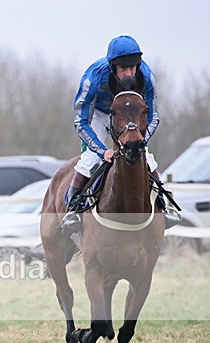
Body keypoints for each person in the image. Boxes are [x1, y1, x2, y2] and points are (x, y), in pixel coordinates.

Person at [62, 35, 181, 233]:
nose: (129, 74)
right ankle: (72, 211)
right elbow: (81, 121)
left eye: (133, 68)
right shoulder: (92, 78)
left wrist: (140, 141)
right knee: (90, 158)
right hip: (99, 114)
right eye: (123, 69)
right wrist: (102, 151)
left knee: (146, 157)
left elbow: (153, 117)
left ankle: (165, 206)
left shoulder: (147, 77)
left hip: (129, 114)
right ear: (112, 67)